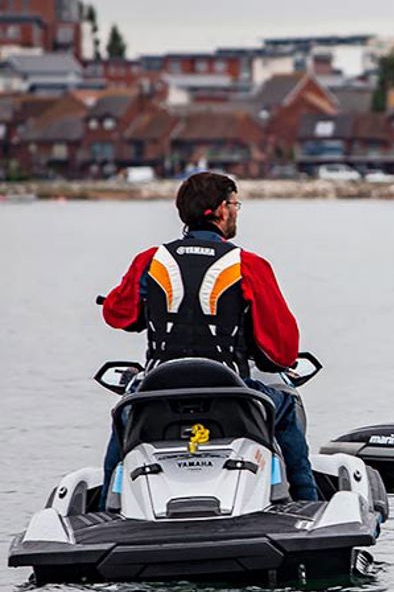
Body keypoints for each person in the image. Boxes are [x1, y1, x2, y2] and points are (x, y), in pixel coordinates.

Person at [99, 172, 318, 501]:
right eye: (235, 204)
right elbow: (284, 351)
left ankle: (106, 507)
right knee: (286, 408)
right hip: (231, 394)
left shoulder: (150, 261)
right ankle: (307, 504)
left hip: (157, 396)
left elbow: (116, 314)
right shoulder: (248, 265)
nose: (237, 211)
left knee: (124, 421)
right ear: (220, 209)